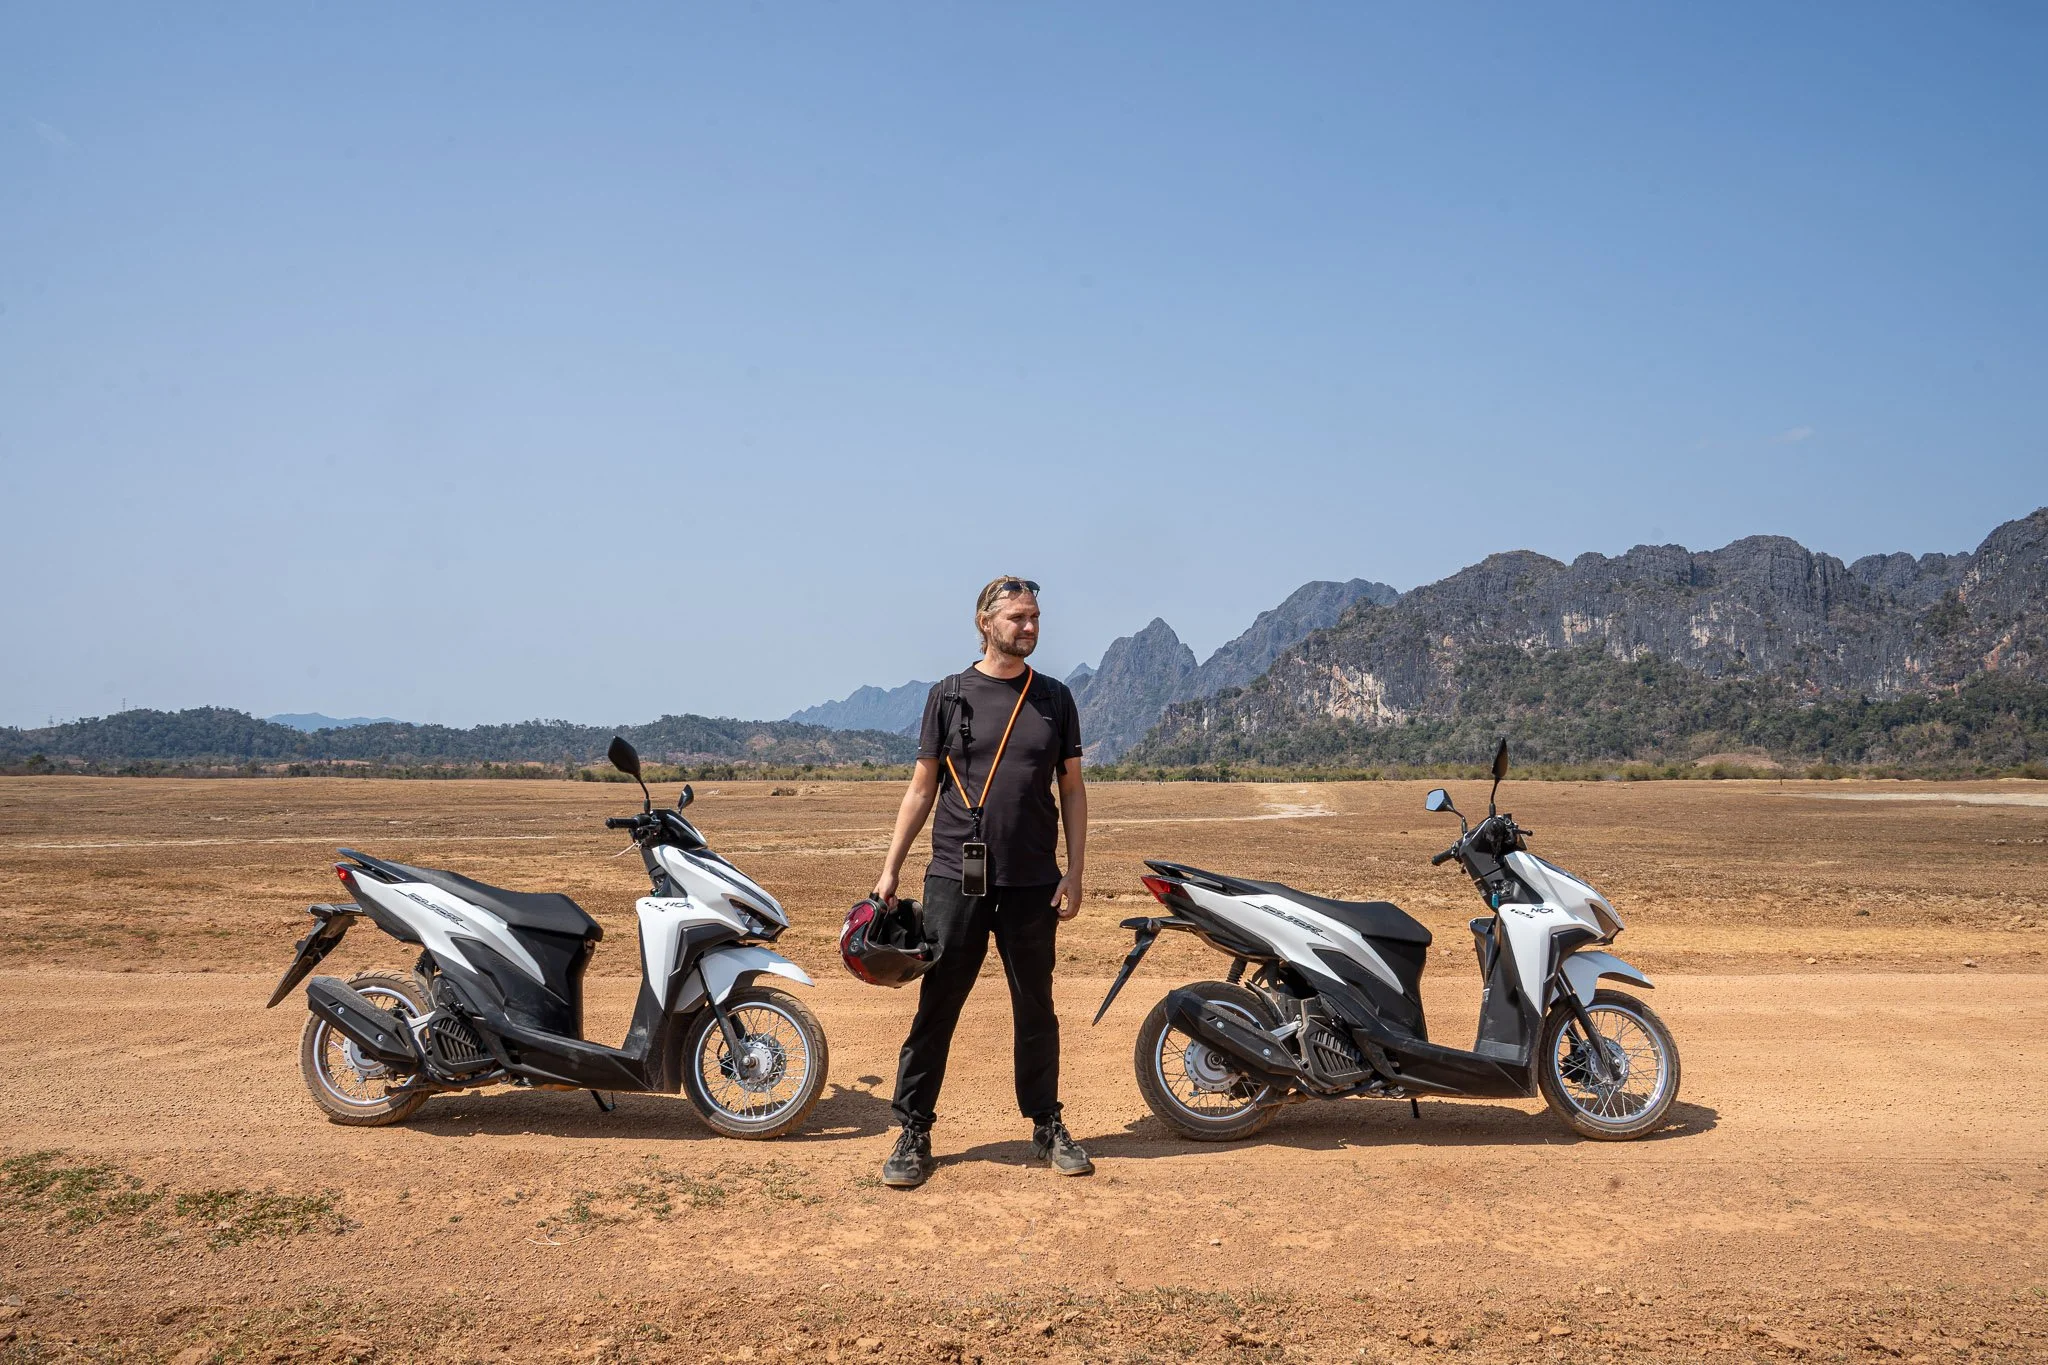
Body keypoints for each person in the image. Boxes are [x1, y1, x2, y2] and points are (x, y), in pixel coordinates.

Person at [870, 575, 1091, 1188]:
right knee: (937, 1003)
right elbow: (921, 788)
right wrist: (891, 869)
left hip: (1032, 881)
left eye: (1036, 618)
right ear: (984, 622)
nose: (1031, 628)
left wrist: (1074, 870)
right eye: (1019, 617)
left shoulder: (1054, 698)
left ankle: (1047, 1125)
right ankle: (913, 1132)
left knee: (1036, 1006)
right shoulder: (948, 696)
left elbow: (1070, 789)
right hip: (954, 877)